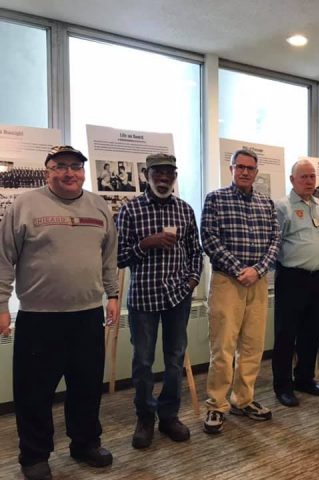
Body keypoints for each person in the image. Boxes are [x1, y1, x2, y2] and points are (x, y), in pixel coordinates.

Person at [0, 145, 118, 480]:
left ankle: (85, 443)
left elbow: (109, 256)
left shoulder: (99, 206)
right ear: (47, 171)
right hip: (40, 317)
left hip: (87, 315)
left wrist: (112, 294)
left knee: (86, 387)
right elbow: (4, 258)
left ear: (83, 172)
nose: (69, 172)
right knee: (34, 392)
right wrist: (1, 305)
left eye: (75, 166)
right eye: (60, 166)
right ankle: (34, 455)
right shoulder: (25, 205)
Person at [116, 153, 203, 448]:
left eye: (169, 173)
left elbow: (195, 251)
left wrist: (192, 281)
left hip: (178, 296)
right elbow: (119, 257)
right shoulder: (130, 210)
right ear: (146, 175)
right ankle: (145, 418)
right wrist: (146, 243)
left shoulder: (185, 210)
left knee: (175, 360)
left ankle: (169, 416)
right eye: (158, 173)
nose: (164, 178)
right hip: (144, 298)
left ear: (174, 177)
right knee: (143, 362)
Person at [200, 148, 281, 434]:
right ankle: (216, 404)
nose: (245, 172)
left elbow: (275, 240)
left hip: (258, 282)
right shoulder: (215, 199)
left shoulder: (266, 203)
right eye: (240, 167)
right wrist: (239, 269)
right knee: (223, 347)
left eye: (250, 168)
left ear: (256, 172)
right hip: (227, 282)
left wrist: (258, 270)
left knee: (252, 345)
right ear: (231, 169)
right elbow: (209, 239)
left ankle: (243, 399)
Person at [272, 160, 319, 407]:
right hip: (292, 277)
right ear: (292, 180)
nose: (309, 181)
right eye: (303, 177)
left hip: (317, 277)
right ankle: (283, 385)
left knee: (311, 331)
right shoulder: (282, 207)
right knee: (286, 334)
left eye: (312, 176)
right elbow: (274, 243)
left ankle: (305, 378)